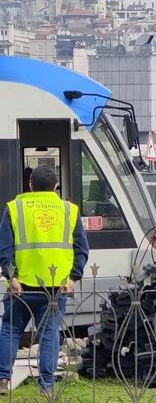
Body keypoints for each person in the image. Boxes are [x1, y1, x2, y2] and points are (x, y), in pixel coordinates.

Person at [0, 166, 89, 395]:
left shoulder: (15, 208)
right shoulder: (70, 210)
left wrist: (12, 277)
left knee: (10, 329)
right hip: (56, 286)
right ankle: (47, 386)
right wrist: (73, 278)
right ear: (56, 187)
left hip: (22, 285)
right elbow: (82, 248)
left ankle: (3, 379)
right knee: (50, 333)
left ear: (30, 184)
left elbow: (5, 248)